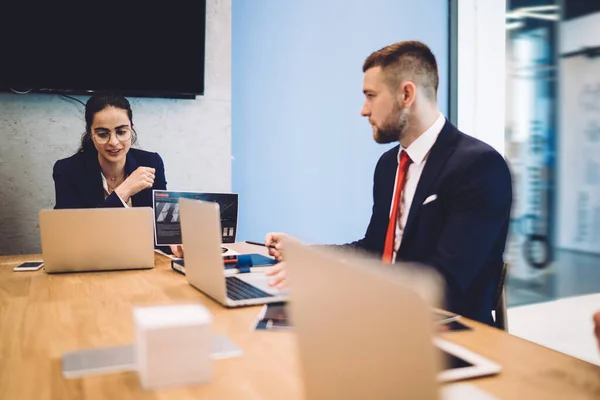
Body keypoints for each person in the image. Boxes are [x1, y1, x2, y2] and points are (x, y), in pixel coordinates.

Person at [265, 41, 513, 326]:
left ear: (407, 94)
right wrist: (307, 254)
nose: (363, 110)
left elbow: (444, 283)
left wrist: (329, 274)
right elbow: (373, 250)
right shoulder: (388, 165)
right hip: (384, 316)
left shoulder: (479, 166)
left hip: (449, 330)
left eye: (371, 96)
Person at [53, 92, 182, 256]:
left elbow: (162, 229)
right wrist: (123, 192)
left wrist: (174, 242)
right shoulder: (68, 170)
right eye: (102, 134)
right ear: (90, 133)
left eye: (121, 132)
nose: (113, 142)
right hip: (90, 262)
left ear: (131, 127)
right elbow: (70, 236)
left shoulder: (151, 162)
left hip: (142, 263)